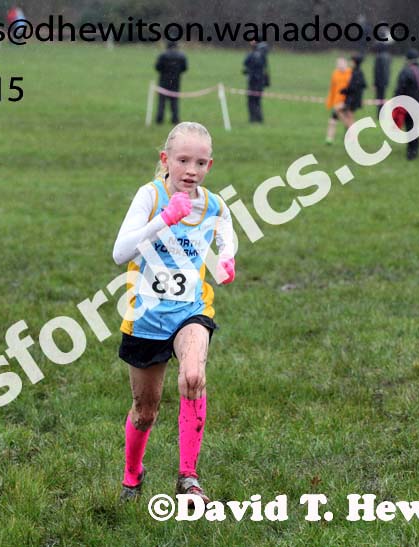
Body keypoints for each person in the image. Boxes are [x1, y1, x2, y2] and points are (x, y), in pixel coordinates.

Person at [112, 122, 236, 503]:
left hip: (191, 311)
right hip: (145, 318)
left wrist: (228, 256)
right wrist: (164, 219)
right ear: (166, 160)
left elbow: (226, 225)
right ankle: (133, 474)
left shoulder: (211, 203)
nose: (191, 170)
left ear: (209, 166)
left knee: (194, 376)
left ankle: (188, 477)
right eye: (183, 160)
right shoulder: (149, 197)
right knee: (144, 411)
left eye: (200, 163)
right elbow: (120, 254)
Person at [393, 49, 419, 160]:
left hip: (407, 103)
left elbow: (400, 89)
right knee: (416, 127)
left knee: (409, 127)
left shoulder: (405, 71)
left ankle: (411, 152)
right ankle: (416, 148)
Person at [154, 41, 188, 125]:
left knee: (162, 102)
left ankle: (159, 119)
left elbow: (157, 67)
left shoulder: (163, 55)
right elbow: (184, 68)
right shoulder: (181, 56)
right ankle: (175, 119)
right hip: (175, 81)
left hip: (163, 81)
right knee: (174, 101)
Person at [325, 57, 352, 144]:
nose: (340, 65)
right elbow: (333, 89)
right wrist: (330, 102)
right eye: (338, 64)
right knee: (333, 120)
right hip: (337, 102)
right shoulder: (335, 74)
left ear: (346, 64)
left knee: (347, 120)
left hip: (347, 102)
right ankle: (329, 139)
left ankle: (350, 136)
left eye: (342, 63)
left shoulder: (350, 73)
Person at [243, 41, 269, 123]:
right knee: (257, 101)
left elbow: (245, 62)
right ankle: (259, 118)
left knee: (252, 100)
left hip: (253, 81)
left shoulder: (253, 54)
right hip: (260, 81)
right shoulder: (263, 54)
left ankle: (253, 119)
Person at [339, 54, 367, 128]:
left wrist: (344, 91)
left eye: (351, 61)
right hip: (355, 98)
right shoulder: (359, 72)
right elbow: (364, 84)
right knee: (349, 115)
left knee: (348, 115)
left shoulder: (356, 73)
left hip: (353, 99)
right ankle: (350, 131)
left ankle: (351, 131)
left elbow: (353, 87)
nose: (350, 63)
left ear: (354, 62)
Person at [373, 42, 391, 116]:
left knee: (379, 97)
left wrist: (375, 83)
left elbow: (377, 71)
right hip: (385, 80)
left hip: (379, 81)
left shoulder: (379, 57)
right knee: (382, 97)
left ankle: (380, 113)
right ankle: (382, 112)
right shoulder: (388, 57)